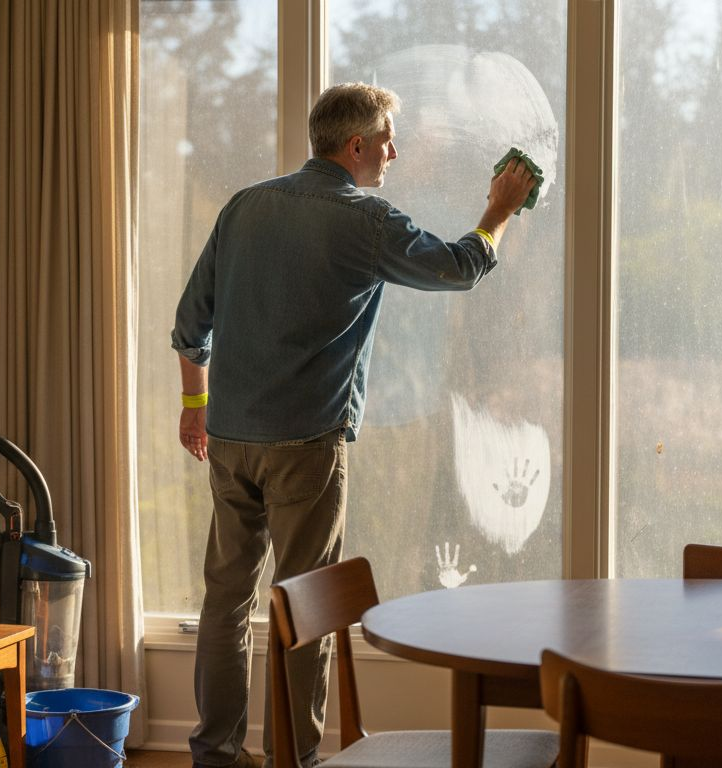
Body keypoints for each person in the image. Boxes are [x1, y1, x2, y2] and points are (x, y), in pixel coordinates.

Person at [169, 82, 538, 768]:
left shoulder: (244, 207)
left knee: (226, 604)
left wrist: (196, 410)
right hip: (306, 447)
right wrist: (499, 211)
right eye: (388, 139)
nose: (394, 152)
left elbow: (192, 328)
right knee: (305, 611)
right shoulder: (365, 219)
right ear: (357, 144)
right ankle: (295, 760)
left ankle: (214, 756)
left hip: (230, 441)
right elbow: (459, 267)